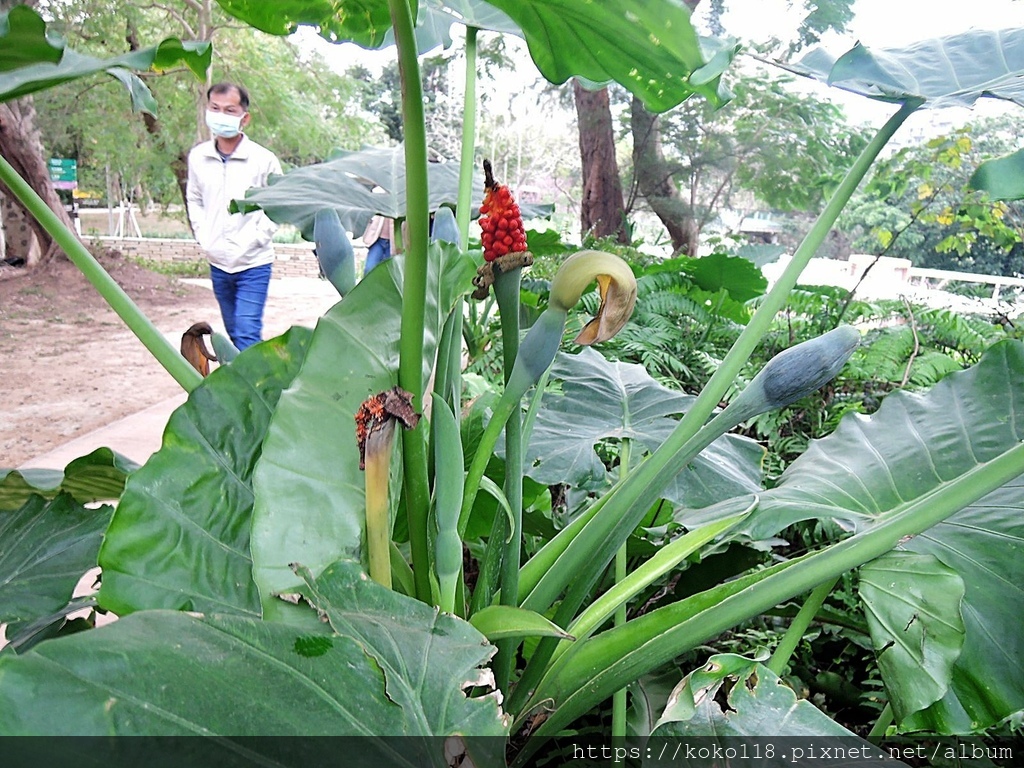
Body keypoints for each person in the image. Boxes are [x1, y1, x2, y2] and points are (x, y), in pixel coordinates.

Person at [186, 82, 282, 350]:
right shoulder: (198, 157)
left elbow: (278, 204)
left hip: (254, 263)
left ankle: (259, 390)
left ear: (244, 117)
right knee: (233, 333)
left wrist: (256, 239)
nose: (220, 115)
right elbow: (194, 198)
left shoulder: (263, 160)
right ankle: (249, 385)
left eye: (229, 110)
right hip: (218, 263)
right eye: (215, 108)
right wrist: (204, 237)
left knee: (246, 333)